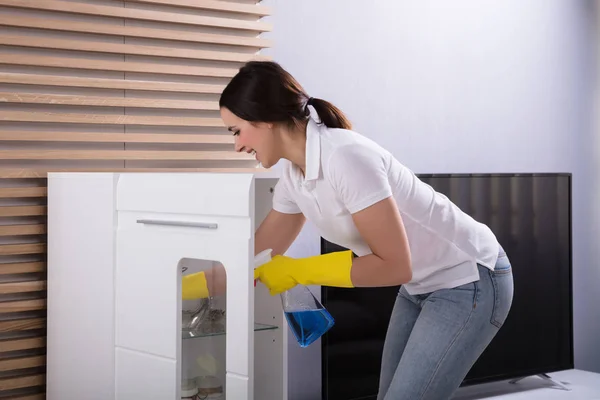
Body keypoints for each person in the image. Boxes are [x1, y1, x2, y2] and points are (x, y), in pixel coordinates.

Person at [183, 60, 514, 400]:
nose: (237, 145)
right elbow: (250, 258)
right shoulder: (294, 179)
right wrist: (176, 288)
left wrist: (298, 271)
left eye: (236, 131)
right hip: (420, 286)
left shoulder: (345, 157)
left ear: (265, 119)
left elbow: (394, 265)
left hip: (470, 277)